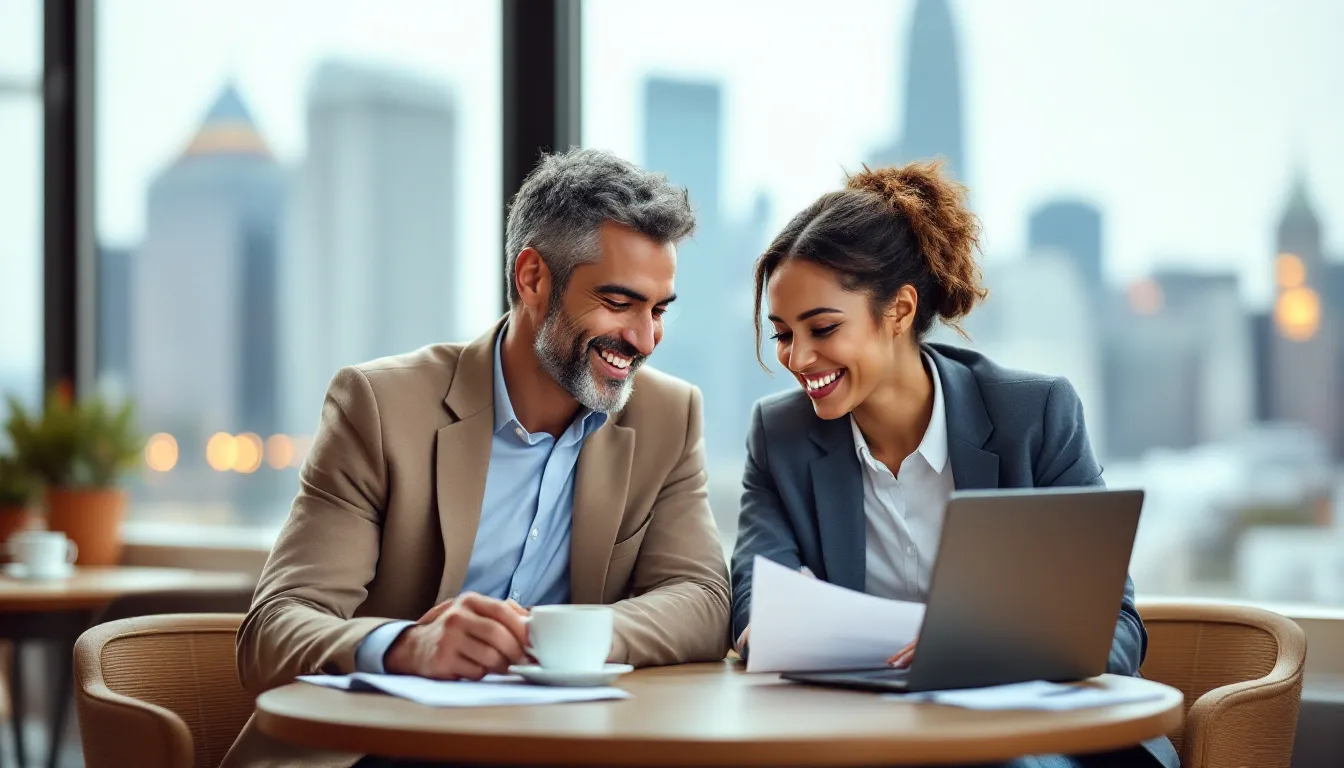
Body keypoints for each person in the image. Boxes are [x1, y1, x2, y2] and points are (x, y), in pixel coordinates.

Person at [221, 148, 731, 768]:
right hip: (384, 749)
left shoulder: (668, 417)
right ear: (533, 279)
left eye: (659, 311)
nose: (645, 339)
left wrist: (559, 638)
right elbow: (274, 629)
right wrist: (411, 646)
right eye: (620, 303)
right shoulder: (381, 406)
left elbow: (703, 598)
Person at [728, 161, 1179, 768]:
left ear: (900, 310)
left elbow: (1115, 626)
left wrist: (983, 652)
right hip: (871, 742)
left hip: (1036, 743)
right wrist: (769, 628)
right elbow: (756, 588)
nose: (798, 357)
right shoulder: (780, 435)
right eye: (782, 333)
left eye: (823, 328)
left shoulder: (1034, 415)